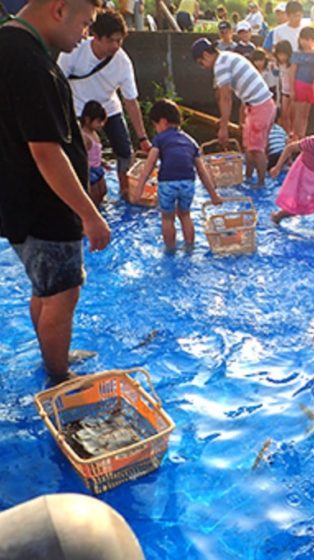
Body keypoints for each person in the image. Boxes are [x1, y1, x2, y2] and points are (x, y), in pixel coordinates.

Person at [0, 0, 111, 382]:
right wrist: (90, 215)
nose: (84, 35)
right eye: (85, 23)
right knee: (62, 296)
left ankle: (54, 353)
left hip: (20, 202)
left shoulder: (10, 46)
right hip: (46, 206)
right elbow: (46, 152)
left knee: (45, 288)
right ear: (59, 9)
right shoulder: (31, 64)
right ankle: (60, 377)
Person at [57, 9, 150, 200]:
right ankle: (80, 197)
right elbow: (57, 85)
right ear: (96, 37)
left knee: (124, 151)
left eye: (120, 41)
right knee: (80, 155)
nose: (116, 46)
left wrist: (142, 137)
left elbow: (131, 101)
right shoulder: (74, 51)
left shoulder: (123, 62)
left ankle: (126, 191)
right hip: (79, 111)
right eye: (112, 40)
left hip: (109, 109)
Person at [131, 100, 222, 251]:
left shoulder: (159, 140)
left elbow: (150, 164)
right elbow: (202, 170)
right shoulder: (191, 142)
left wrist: (139, 188)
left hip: (167, 183)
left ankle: (170, 250)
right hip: (188, 183)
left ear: (163, 122)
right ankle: (190, 248)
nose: (156, 129)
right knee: (185, 215)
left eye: (155, 125)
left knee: (167, 217)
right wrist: (213, 194)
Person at [192, 38, 276, 186]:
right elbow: (222, 95)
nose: (203, 67)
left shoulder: (220, 65)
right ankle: (249, 179)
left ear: (206, 55)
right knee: (249, 147)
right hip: (259, 105)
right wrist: (226, 119)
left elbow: (226, 98)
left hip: (260, 106)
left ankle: (261, 183)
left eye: (201, 63)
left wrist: (224, 127)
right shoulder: (226, 57)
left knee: (256, 149)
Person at [289, 26, 314, 140]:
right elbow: (292, 71)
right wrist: (292, 89)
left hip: (310, 85)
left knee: (306, 114)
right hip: (299, 84)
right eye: (304, 39)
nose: (306, 42)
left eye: (309, 39)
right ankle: (296, 135)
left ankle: (302, 136)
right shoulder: (297, 54)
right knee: (298, 113)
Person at [80, 100, 109, 207]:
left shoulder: (94, 133)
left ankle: (102, 210)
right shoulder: (84, 136)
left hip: (98, 167)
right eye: (98, 121)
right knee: (94, 197)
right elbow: (81, 156)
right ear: (87, 120)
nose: (101, 125)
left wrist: (102, 162)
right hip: (90, 170)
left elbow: (96, 152)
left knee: (103, 191)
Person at [273, 39, 293, 132]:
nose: (282, 57)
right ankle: (285, 133)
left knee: (290, 115)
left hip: (292, 92)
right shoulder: (279, 64)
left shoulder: (292, 65)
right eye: (280, 55)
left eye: (284, 55)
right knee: (284, 115)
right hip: (284, 92)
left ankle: (291, 133)